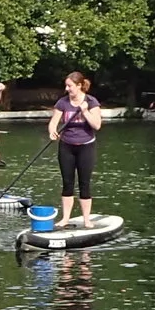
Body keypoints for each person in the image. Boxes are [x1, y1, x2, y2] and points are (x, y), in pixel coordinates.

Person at [45, 70, 105, 227]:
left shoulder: (91, 102)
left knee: (84, 183)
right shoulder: (62, 103)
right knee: (67, 183)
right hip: (66, 146)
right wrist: (52, 131)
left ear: (79, 86)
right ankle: (65, 218)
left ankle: (86, 219)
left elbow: (97, 125)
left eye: (70, 86)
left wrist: (84, 111)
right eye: (66, 86)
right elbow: (53, 122)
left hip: (86, 147)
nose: (67, 89)